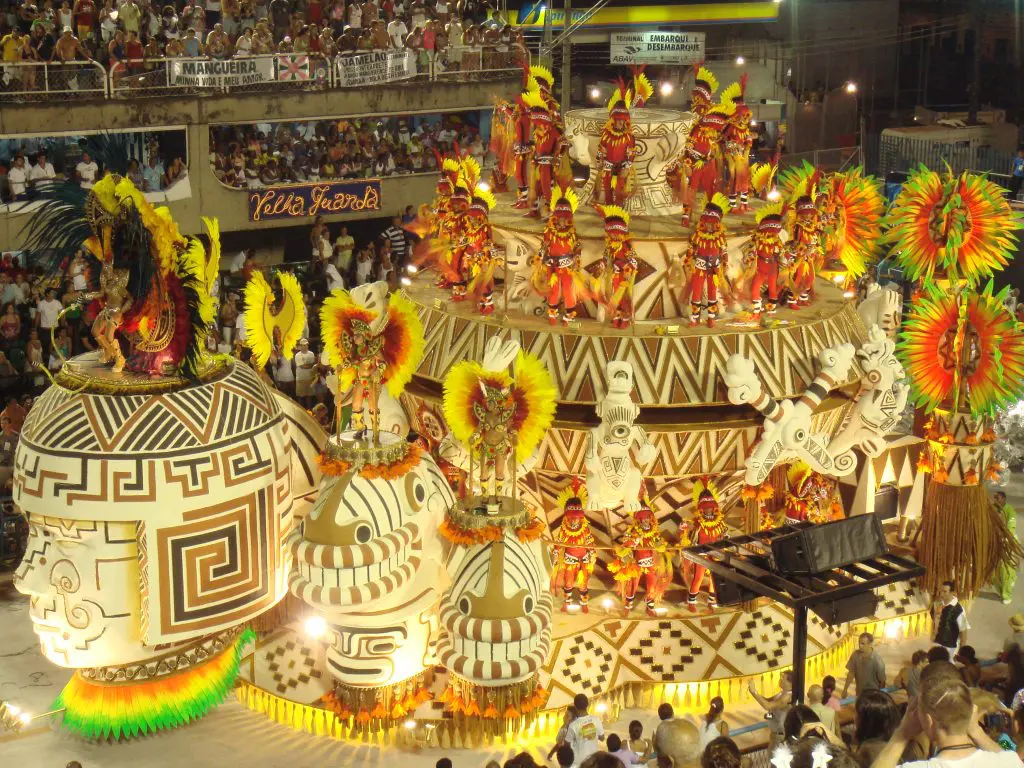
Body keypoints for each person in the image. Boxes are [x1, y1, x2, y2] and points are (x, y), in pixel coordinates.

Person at [871, 675, 1019, 768]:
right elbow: (1008, 759)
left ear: (929, 721)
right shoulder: (1009, 761)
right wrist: (976, 732)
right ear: (971, 715)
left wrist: (901, 735)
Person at [852, 689, 905, 768]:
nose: (854, 718)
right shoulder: (894, 744)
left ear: (867, 722)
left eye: (857, 714)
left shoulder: (868, 752)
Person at [749, 671, 793, 747]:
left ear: (790, 683)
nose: (780, 679)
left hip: (780, 737)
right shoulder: (782, 693)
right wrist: (754, 693)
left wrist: (754, 692)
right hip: (775, 735)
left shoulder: (787, 697)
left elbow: (768, 706)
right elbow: (767, 701)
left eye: (783, 678)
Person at [563, 693, 604, 768]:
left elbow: (566, 745)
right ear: (587, 704)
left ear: (575, 706)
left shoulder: (573, 725)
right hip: (593, 761)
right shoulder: (596, 719)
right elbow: (602, 738)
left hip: (578, 763)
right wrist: (590, 732)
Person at [993, 491, 1019, 604]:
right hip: (995, 542)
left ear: (1003, 499)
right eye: (994, 497)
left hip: (1007, 542)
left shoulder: (1010, 510)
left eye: (997, 498)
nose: (995, 499)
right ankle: (1001, 589)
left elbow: (1011, 526)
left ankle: (1007, 594)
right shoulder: (993, 508)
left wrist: (1005, 538)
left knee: (1005, 569)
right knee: (993, 571)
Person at [842, 632, 887, 698]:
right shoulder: (855, 655)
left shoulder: (877, 660)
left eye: (863, 643)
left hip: (873, 695)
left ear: (870, 644)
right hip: (859, 694)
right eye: (859, 643)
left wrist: (879, 696)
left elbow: (882, 682)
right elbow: (851, 673)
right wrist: (845, 689)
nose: (860, 645)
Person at [933, 580, 970, 657]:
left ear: (952, 593)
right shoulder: (938, 604)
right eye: (941, 591)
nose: (941, 594)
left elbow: (964, 631)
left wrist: (961, 651)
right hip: (938, 642)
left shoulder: (958, 610)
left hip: (950, 646)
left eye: (945, 591)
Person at [293, 337, 316, 407]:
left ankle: (309, 411)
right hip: (300, 379)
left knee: (309, 396)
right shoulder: (297, 355)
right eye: (303, 345)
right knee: (300, 396)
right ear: (300, 346)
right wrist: (309, 365)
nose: (305, 346)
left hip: (310, 378)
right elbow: (303, 366)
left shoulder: (311, 354)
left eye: (306, 345)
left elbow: (312, 364)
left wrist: (308, 365)